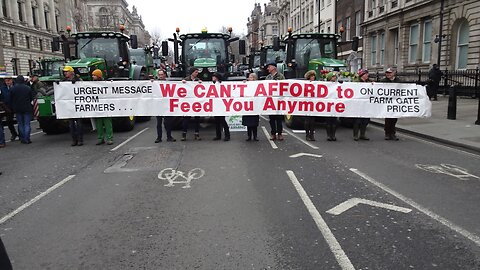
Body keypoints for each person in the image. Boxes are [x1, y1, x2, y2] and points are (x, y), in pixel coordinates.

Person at [91, 69, 114, 145]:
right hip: (97, 107)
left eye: (94, 75)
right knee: (99, 124)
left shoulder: (105, 83)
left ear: (98, 76)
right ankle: (100, 138)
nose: (93, 77)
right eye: (92, 75)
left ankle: (109, 138)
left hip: (106, 107)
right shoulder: (91, 85)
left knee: (107, 123)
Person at [63, 66, 84, 146]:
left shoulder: (79, 80)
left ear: (71, 72)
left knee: (79, 124)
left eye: (67, 71)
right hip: (69, 106)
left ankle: (80, 140)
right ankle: (74, 140)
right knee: (71, 125)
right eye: (65, 71)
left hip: (78, 105)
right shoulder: (64, 81)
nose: (65, 73)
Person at [11, 75, 35, 144]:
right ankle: (27, 138)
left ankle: (23, 138)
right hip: (27, 107)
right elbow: (31, 98)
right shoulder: (27, 88)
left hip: (17, 108)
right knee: (27, 124)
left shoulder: (13, 88)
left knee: (20, 124)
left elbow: (11, 99)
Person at [265, 61, 285, 141]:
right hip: (270, 101)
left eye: (269, 67)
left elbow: (284, 86)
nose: (268, 68)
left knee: (279, 119)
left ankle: (279, 134)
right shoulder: (268, 77)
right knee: (272, 119)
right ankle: (273, 134)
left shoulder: (281, 76)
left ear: (273, 67)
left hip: (278, 101)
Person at [181, 68, 202, 141]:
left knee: (197, 119)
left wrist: (201, 83)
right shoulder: (186, 79)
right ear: (192, 73)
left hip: (196, 103)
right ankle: (184, 135)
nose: (197, 73)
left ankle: (196, 134)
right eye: (196, 72)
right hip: (188, 103)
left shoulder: (198, 80)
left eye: (197, 72)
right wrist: (182, 82)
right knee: (186, 120)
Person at [155, 69, 176, 143]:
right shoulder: (154, 83)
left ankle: (169, 137)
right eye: (159, 75)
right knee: (158, 123)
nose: (160, 76)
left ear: (165, 75)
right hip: (158, 106)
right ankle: (159, 137)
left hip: (167, 105)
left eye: (161, 74)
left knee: (168, 123)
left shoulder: (169, 83)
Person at [381, 67, 400, 140]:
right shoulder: (383, 81)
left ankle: (393, 133)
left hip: (395, 103)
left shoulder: (398, 81)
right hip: (387, 103)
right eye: (387, 73)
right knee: (388, 119)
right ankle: (387, 133)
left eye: (389, 73)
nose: (388, 74)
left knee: (394, 119)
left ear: (394, 73)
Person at [353, 69, 371, 141]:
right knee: (357, 121)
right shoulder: (356, 82)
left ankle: (362, 134)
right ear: (362, 75)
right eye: (366, 74)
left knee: (365, 120)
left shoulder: (369, 82)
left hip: (366, 105)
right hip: (358, 104)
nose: (367, 75)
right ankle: (355, 135)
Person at [212, 72, 230, 141]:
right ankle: (218, 135)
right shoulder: (211, 84)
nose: (212, 78)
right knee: (217, 122)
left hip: (221, 106)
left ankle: (227, 136)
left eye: (214, 77)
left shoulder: (222, 84)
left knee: (223, 121)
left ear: (217, 77)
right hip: (215, 106)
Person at [242, 73, 260, 141]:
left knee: (254, 123)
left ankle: (255, 136)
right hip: (248, 105)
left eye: (251, 77)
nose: (249, 78)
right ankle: (249, 136)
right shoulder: (246, 84)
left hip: (254, 106)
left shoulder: (257, 85)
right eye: (249, 77)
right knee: (248, 123)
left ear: (254, 78)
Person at [0, 76, 19, 141]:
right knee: (9, 122)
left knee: (20, 121)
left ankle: (21, 134)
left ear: (11, 80)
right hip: (7, 107)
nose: (7, 82)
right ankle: (14, 134)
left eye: (8, 80)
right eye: (6, 81)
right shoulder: (2, 88)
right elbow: (2, 97)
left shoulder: (16, 87)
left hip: (16, 106)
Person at [325, 71, 338, 141]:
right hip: (328, 105)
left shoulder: (337, 84)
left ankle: (333, 135)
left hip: (335, 105)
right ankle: (328, 135)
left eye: (335, 77)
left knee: (334, 122)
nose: (334, 78)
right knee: (328, 122)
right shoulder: (326, 85)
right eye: (333, 77)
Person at [304, 70, 317, 141]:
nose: (313, 77)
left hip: (313, 104)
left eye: (314, 76)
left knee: (312, 121)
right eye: (311, 76)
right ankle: (307, 134)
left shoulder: (316, 84)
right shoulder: (305, 84)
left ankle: (312, 134)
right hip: (306, 103)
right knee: (307, 120)